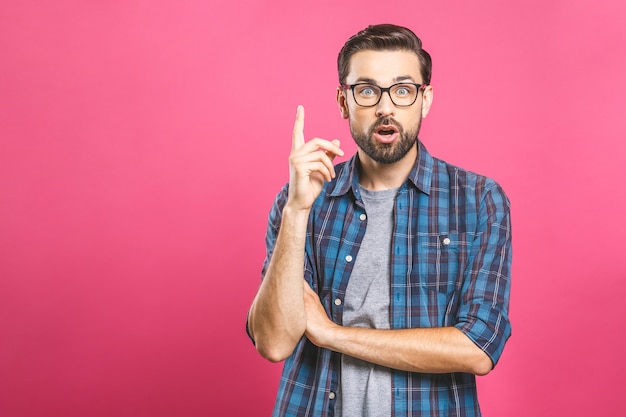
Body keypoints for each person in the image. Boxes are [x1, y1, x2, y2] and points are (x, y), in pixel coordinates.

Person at [247, 23, 512, 417]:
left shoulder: (477, 201)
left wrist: (330, 333)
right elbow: (273, 342)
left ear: (425, 100)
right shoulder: (300, 202)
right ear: (343, 101)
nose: (386, 107)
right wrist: (297, 211)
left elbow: (477, 348)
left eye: (403, 90)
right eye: (367, 90)